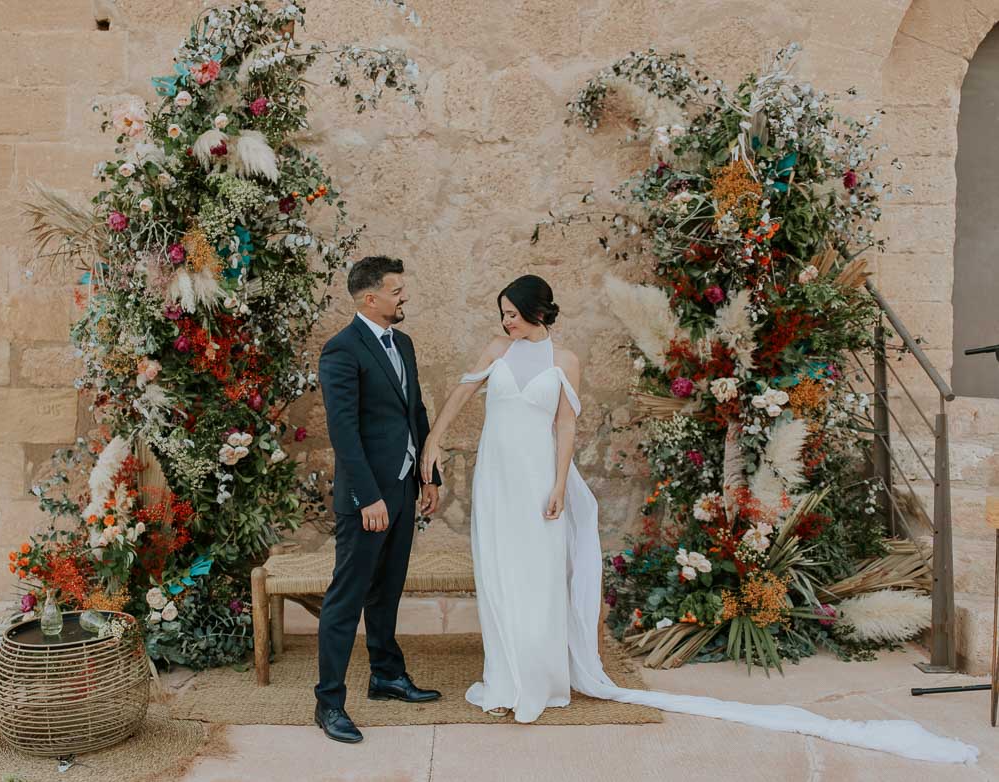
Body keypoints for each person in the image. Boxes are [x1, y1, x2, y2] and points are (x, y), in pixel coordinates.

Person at [418, 274, 977, 763]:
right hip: (497, 478)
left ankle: (537, 682)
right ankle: (504, 681)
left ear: (538, 313)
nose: (506, 323)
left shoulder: (565, 361)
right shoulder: (496, 349)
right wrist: (434, 446)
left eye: (513, 315)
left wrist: (561, 482)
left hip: (539, 478)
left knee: (538, 577)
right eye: (503, 316)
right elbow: (460, 399)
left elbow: (565, 426)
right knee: (499, 572)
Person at [314, 255, 442, 744]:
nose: (402, 296)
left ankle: (386, 675)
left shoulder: (402, 343)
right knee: (346, 599)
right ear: (370, 298)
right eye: (396, 290)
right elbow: (343, 432)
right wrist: (368, 497)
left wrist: (429, 478)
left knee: (387, 591)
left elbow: (416, 411)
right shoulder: (341, 350)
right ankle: (329, 703)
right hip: (366, 497)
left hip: (406, 488)